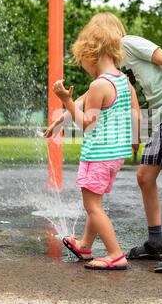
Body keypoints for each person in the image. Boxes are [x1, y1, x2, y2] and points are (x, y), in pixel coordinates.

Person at [48, 18, 140, 271]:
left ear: (92, 54)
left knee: (92, 206)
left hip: (98, 155)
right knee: (95, 203)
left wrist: (65, 101)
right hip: (114, 155)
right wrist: (134, 144)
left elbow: (88, 124)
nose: (85, 66)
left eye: (84, 60)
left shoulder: (99, 85)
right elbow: (136, 115)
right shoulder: (123, 81)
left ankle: (115, 254)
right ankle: (85, 245)